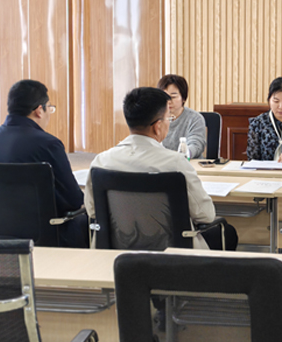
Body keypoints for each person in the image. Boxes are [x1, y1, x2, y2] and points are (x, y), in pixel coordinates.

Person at [84, 87, 237, 250]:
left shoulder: (101, 161)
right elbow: (205, 215)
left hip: (116, 255)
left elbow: (92, 211)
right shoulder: (175, 163)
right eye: (168, 118)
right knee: (227, 232)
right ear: (158, 126)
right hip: (173, 256)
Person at [0, 79, 88, 248]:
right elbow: (74, 201)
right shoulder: (49, 144)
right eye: (49, 108)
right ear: (39, 110)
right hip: (45, 237)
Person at [157, 74, 206, 159]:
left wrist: (183, 154)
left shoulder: (195, 118)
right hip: (162, 163)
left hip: (188, 163)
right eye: (164, 97)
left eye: (173, 97)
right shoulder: (154, 118)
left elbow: (196, 145)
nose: (168, 101)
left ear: (183, 98)